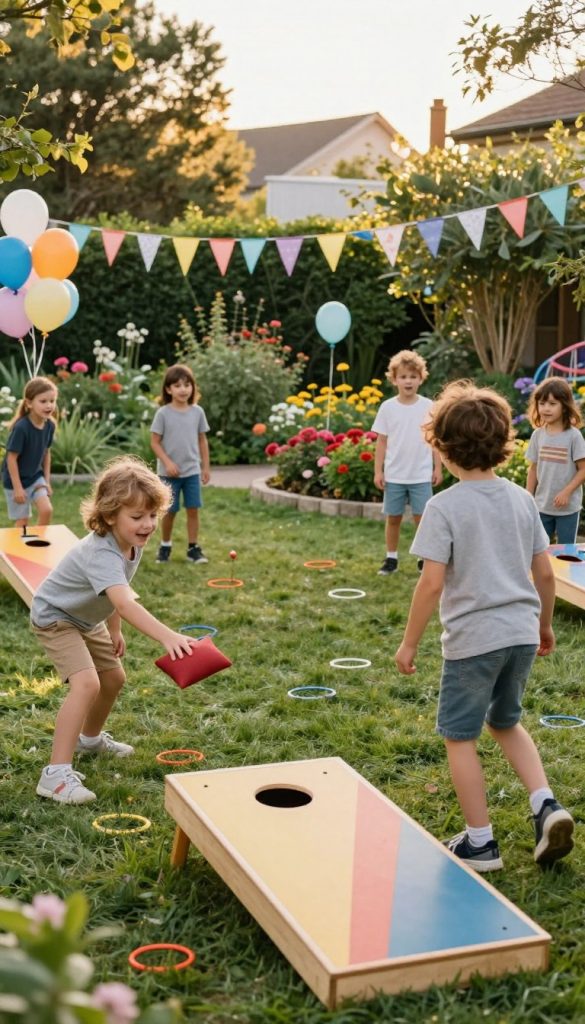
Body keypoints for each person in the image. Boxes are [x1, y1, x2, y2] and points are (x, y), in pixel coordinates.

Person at [394, 380, 574, 872]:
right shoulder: (520, 498)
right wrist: (544, 626)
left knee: (460, 736)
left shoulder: (443, 507)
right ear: (501, 446)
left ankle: (480, 843)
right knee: (506, 721)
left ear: (443, 448)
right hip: (520, 634)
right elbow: (543, 572)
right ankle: (546, 805)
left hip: (474, 641)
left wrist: (409, 644)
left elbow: (431, 585)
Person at [31, 456, 196, 805]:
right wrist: (167, 636)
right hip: (56, 617)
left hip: (88, 619)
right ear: (108, 516)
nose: (148, 524)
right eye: (137, 517)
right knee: (87, 682)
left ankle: (89, 739)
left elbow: (114, 594)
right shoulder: (101, 552)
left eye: (152, 515)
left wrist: (114, 630)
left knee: (114, 678)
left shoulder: (131, 543)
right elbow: (124, 601)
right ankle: (55, 774)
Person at [372, 350, 442, 575]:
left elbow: (434, 440)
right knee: (394, 518)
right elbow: (381, 442)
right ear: (394, 380)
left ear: (421, 378)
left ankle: (424, 558)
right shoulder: (388, 407)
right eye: (403, 377)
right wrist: (378, 472)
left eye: (413, 376)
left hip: (421, 475)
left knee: (422, 519)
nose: (408, 381)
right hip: (394, 476)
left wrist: (437, 467)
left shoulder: (428, 406)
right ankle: (391, 558)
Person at [150, 364, 211, 564]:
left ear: (193, 387)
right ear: (168, 389)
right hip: (169, 474)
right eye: (177, 385)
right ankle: (165, 546)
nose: (183, 389)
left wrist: (206, 467)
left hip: (191, 471)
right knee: (170, 510)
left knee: (193, 509)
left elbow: (202, 440)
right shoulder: (163, 414)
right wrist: (167, 463)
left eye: (187, 385)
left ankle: (193, 548)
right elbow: (154, 442)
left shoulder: (197, 412)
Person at [525, 376, 585, 545]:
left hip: (568, 509)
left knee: (566, 552)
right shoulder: (538, 435)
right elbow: (533, 469)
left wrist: (567, 492)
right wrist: (529, 496)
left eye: (552, 404)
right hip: (542, 506)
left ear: (565, 407)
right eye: (542, 403)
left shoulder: (574, 436)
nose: (546, 409)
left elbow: (583, 469)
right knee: (539, 549)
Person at [2, 376, 57, 529]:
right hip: (15, 481)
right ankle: (15, 552)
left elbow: (46, 453)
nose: (49, 405)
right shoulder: (21, 428)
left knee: (47, 510)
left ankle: (37, 544)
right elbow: (11, 459)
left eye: (52, 401)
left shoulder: (50, 426)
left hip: (35, 478)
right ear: (29, 403)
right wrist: (18, 488)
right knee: (22, 523)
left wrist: (46, 481)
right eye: (43, 401)